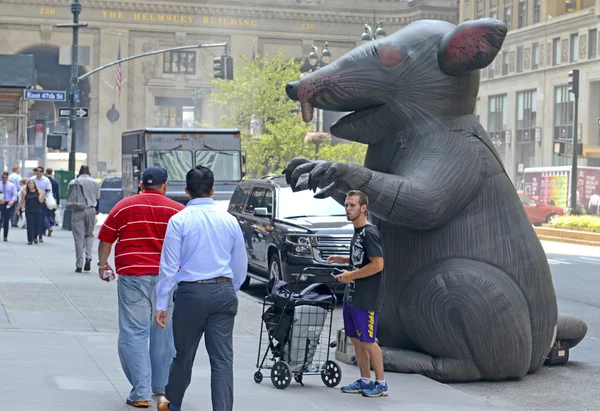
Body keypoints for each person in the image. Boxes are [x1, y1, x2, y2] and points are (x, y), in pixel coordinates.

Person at [155, 166, 248, 411]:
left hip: (191, 294)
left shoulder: (179, 220)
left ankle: (172, 405)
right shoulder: (230, 220)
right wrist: (231, 290)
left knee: (183, 355)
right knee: (222, 360)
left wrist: (161, 303)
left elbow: (169, 267)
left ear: (186, 191)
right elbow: (240, 264)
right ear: (213, 190)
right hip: (223, 292)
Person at [97, 166, 184, 409]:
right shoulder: (177, 210)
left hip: (133, 277)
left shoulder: (124, 206)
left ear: (141, 185)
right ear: (165, 185)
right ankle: (160, 386)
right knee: (164, 334)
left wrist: (103, 265)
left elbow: (106, 238)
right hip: (167, 281)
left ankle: (141, 392)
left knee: (134, 333)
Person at [327, 190, 387, 398]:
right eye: (346, 205)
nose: (348, 209)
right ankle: (365, 380)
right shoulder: (358, 231)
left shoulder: (370, 232)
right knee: (356, 339)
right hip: (352, 297)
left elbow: (378, 264)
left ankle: (381, 384)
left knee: (369, 340)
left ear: (363, 208)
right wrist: (343, 260)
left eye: (352, 205)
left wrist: (350, 275)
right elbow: (362, 258)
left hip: (367, 298)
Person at [67, 165, 101, 273]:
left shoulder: (73, 182)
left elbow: (69, 196)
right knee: (89, 234)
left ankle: (79, 263)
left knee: (78, 238)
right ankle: (89, 257)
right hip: (91, 210)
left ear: (80, 172)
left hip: (77, 210)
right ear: (89, 172)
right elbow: (97, 197)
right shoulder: (95, 182)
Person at [15, 180, 45, 244]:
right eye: (29, 184)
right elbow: (22, 201)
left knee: (37, 226)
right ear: (27, 185)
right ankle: (30, 240)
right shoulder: (25, 193)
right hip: (29, 211)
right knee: (30, 225)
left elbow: (41, 201)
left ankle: (35, 237)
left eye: (32, 183)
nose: (30, 185)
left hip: (37, 211)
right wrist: (17, 209)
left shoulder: (39, 192)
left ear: (34, 185)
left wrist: (43, 194)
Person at [29, 166, 52, 243]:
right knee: (33, 219)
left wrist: (46, 200)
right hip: (33, 201)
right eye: (37, 171)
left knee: (41, 219)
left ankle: (40, 235)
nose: (38, 172)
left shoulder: (46, 180)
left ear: (42, 172)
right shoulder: (32, 179)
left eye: (40, 171)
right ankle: (33, 235)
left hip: (42, 201)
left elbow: (48, 191)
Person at [0, 171, 18, 241]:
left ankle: (5, 236)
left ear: (7, 177)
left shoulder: (11, 185)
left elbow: (14, 194)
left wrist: (12, 201)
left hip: (8, 203)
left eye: (6, 177)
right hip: (0, 202)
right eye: (3, 177)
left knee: (6, 220)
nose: (4, 178)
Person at [45, 167, 60, 236]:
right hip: (52, 200)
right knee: (51, 214)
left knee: (44, 214)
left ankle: (46, 228)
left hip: (45, 199)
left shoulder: (44, 180)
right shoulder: (55, 182)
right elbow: (57, 193)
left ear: (46, 172)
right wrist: (58, 203)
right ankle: (50, 226)